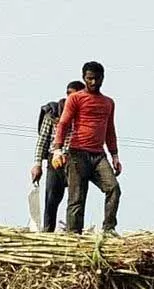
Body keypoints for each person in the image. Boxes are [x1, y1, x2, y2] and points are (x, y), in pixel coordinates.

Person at [51, 61, 122, 234]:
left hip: (98, 155)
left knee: (113, 188)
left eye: (97, 79)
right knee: (77, 198)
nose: (93, 82)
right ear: (84, 78)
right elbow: (64, 123)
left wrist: (115, 156)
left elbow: (109, 129)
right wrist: (58, 150)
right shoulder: (75, 98)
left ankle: (109, 228)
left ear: (102, 78)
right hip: (77, 153)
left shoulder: (108, 103)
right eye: (89, 79)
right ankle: (74, 235)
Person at [30, 80, 85, 232]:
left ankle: (72, 233)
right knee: (51, 199)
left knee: (75, 200)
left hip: (75, 161)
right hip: (55, 161)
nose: (71, 99)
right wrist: (37, 164)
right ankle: (47, 232)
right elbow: (42, 140)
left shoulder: (85, 116)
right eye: (69, 95)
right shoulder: (53, 112)